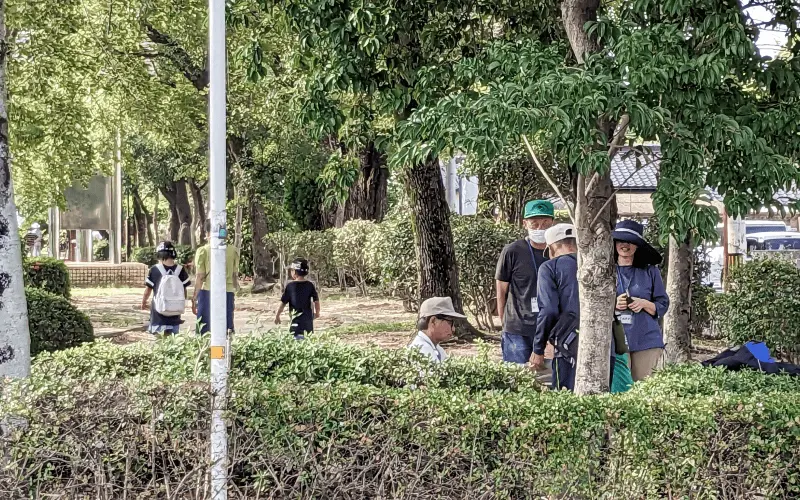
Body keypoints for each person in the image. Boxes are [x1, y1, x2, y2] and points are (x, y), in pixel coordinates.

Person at [495, 199, 554, 364]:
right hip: (517, 329)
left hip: (550, 329)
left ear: (553, 223)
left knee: (549, 380)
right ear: (525, 223)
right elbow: (501, 289)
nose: (540, 228)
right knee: (517, 379)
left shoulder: (558, 252)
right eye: (534, 224)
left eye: (545, 223)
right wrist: (504, 322)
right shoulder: (512, 251)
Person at [613, 220, 670, 381]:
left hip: (646, 340)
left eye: (631, 242)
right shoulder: (606, 270)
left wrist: (644, 303)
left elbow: (663, 304)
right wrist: (614, 304)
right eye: (621, 241)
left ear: (637, 246)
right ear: (615, 243)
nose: (625, 245)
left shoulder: (650, 271)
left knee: (644, 390)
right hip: (615, 341)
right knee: (619, 392)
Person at [531, 224, 581, 390]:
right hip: (602, 340)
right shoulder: (596, 264)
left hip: (566, 344)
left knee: (565, 395)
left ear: (552, 247)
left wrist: (538, 348)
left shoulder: (549, 267)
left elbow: (548, 310)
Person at [192, 219, 240, 335]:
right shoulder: (233, 250)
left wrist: (194, 297)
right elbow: (234, 276)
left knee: (205, 327)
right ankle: (223, 352)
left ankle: (207, 352)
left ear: (208, 233)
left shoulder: (203, 251)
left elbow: (200, 276)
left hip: (207, 292)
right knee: (225, 327)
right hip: (227, 292)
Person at [141, 241, 191, 335]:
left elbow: (148, 289)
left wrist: (144, 301)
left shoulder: (155, 269)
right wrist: (182, 302)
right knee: (172, 338)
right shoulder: (180, 269)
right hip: (175, 310)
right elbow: (184, 289)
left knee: (158, 337)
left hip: (159, 310)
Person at [408, 296, 465, 363]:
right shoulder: (422, 351)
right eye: (449, 323)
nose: (453, 329)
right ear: (433, 321)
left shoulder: (436, 348)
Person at [275, 259, 320, 339]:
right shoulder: (310, 285)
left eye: (291, 270)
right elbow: (316, 301)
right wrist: (317, 313)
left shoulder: (290, 286)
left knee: (296, 341)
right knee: (307, 341)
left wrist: (277, 315)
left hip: (295, 322)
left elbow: (283, 303)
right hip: (308, 322)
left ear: (295, 272)